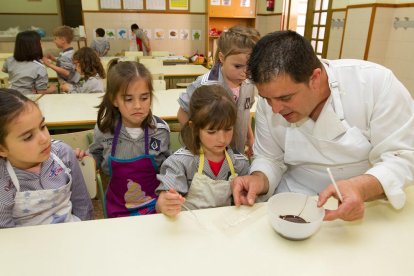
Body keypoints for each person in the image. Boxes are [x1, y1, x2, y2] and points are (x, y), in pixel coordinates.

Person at [232, 30, 414, 221]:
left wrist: (361, 187)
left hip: (365, 202)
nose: (275, 109)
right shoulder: (269, 104)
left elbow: (403, 157)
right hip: (293, 198)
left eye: (285, 98)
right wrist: (258, 179)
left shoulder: (374, 84)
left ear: (315, 78)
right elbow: (269, 158)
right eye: (267, 98)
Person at [86, 60, 170, 218]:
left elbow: (169, 165)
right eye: (129, 99)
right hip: (118, 207)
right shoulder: (105, 130)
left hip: (154, 205)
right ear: (114, 99)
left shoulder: (160, 131)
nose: (138, 105)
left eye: (144, 98)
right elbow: (95, 154)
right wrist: (85, 159)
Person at [0, 88, 93, 228]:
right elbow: (5, 231)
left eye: (43, 126)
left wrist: (83, 233)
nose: (44, 139)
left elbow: (82, 204)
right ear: (2, 149)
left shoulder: (63, 154)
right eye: (28, 137)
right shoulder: (3, 180)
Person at [156, 85, 250, 217]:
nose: (222, 139)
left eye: (228, 129)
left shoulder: (240, 163)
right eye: (211, 131)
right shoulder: (179, 163)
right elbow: (165, 198)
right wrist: (164, 202)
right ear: (194, 127)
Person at [177, 25, 260, 157]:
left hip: (236, 152)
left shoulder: (249, 84)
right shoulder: (204, 84)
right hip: (208, 154)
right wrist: (196, 140)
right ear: (222, 57)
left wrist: (250, 138)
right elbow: (182, 113)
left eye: (251, 66)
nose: (245, 72)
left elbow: (245, 112)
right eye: (237, 66)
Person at [2, 30, 56, 95]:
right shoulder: (39, 67)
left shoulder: (10, 60)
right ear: (35, 46)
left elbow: (3, 70)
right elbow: (41, 92)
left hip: (12, 95)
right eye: (40, 43)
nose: (42, 45)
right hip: (28, 99)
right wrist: (52, 89)